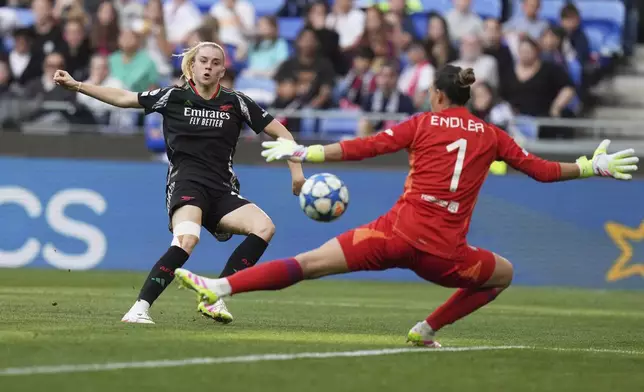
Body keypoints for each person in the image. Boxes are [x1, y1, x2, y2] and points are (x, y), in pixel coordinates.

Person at [173, 65, 638, 347]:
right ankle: (427, 328)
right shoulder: (494, 136)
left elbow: (365, 147)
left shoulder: (422, 123)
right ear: (468, 98)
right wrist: (589, 166)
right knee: (504, 274)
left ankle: (221, 288)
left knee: (308, 263)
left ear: (437, 96)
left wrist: (304, 153)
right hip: (445, 254)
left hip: (391, 235)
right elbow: (540, 171)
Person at [53, 41, 306, 324]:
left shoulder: (237, 102)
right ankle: (139, 308)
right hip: (187, 185)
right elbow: (124, 97)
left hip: (222, 191)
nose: (208, 66)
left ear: (223, 70)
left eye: (215, 62)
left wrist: (296, 172)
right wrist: (78, 86)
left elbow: (282, 133)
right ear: (193, 66)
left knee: (264, 227)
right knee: (187, 239)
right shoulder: (172, 96)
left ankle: (214, 298)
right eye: (203, 61)